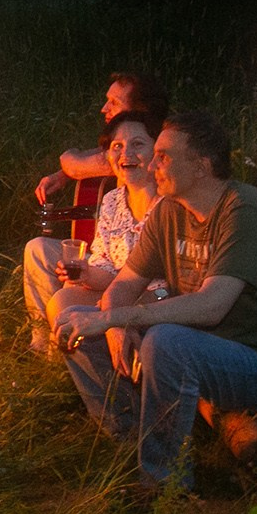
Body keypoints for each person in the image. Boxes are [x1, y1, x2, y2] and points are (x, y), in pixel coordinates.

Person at [55, 112, 257, 490]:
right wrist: (113, 323)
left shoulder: (243, 212)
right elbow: (123, 285)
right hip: (203, 351)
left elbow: (212, 305)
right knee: (76, 318)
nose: (153, 164)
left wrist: (121, 318)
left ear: (201, 166)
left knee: (165, 341)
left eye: (164, 156)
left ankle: (163, 484)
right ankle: (129, 441)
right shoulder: (170, 211)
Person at [24, 111, 160, 350]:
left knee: (78, 309)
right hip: (117, 293)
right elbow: (106, 268)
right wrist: (86, 274)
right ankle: (54, 356)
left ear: (157, 151)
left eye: (137, 144)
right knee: (63, 303)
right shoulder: (112, 201)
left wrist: (112, 308)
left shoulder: (168, 203)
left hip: (157, 297)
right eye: (117, 146)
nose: (126, 154)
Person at [34, 72, 170, 206]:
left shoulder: (137, 153)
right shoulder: (156, 140)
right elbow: (100, 153)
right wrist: (62, 175)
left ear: (139, 110)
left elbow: (74, 164)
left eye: (114, 103)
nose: (104, 109)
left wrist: (68, 164)